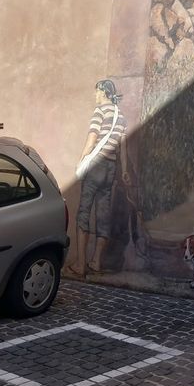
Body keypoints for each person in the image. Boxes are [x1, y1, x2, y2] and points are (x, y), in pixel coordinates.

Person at [69, 79, 128, 277]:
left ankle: (80, 264)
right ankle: (96, 262)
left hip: (95, 167)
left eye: (96, 92)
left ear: (103, 92)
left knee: (84, 213)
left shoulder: (100, 111)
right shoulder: (121, 116)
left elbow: (92, 138)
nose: (95, 96)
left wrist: (81, 160)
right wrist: (125, 171)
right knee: (103, 215)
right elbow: (123, 148)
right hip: (111, 169)